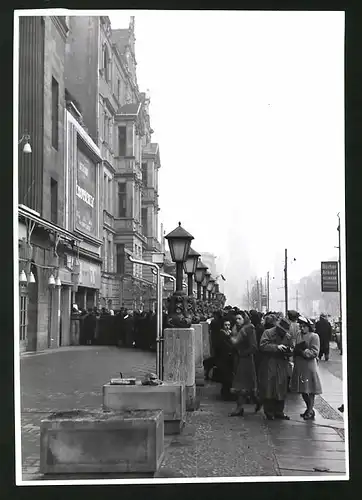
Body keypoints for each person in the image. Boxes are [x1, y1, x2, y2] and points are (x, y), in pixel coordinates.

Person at [259, 317, 294, 420]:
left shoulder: (287, 336)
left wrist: (289, 350)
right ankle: (269, 411)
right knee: (269, 387)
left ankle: (279, 411)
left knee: (281, 387)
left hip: (282, 363)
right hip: (270, 363)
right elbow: (262, 346)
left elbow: (291, 348)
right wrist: (276, 347)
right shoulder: (268, 333)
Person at [227, 312, 260, 416]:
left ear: (244, 319)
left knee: (243, 385)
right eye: (236, 319)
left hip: (246, 360)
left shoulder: (249, 329)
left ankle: (242, 407)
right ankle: (243, 406)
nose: (237, 321)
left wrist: (243, 353)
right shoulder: (237, 329)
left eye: (239, 318)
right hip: (240, 359)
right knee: (243, 385)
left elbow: (254, 346)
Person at [291, 315, 322, 420]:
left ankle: (309, 410)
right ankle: (309, 409)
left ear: (309, 327)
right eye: (301, 326)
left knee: (310, 389)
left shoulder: (314, 336)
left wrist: (303, 352)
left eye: (304, 326)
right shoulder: (298, 334)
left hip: (309, 366)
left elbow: (315, 352)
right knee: (303, 389)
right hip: (299, 365)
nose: (302, 328)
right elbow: (294, 345)